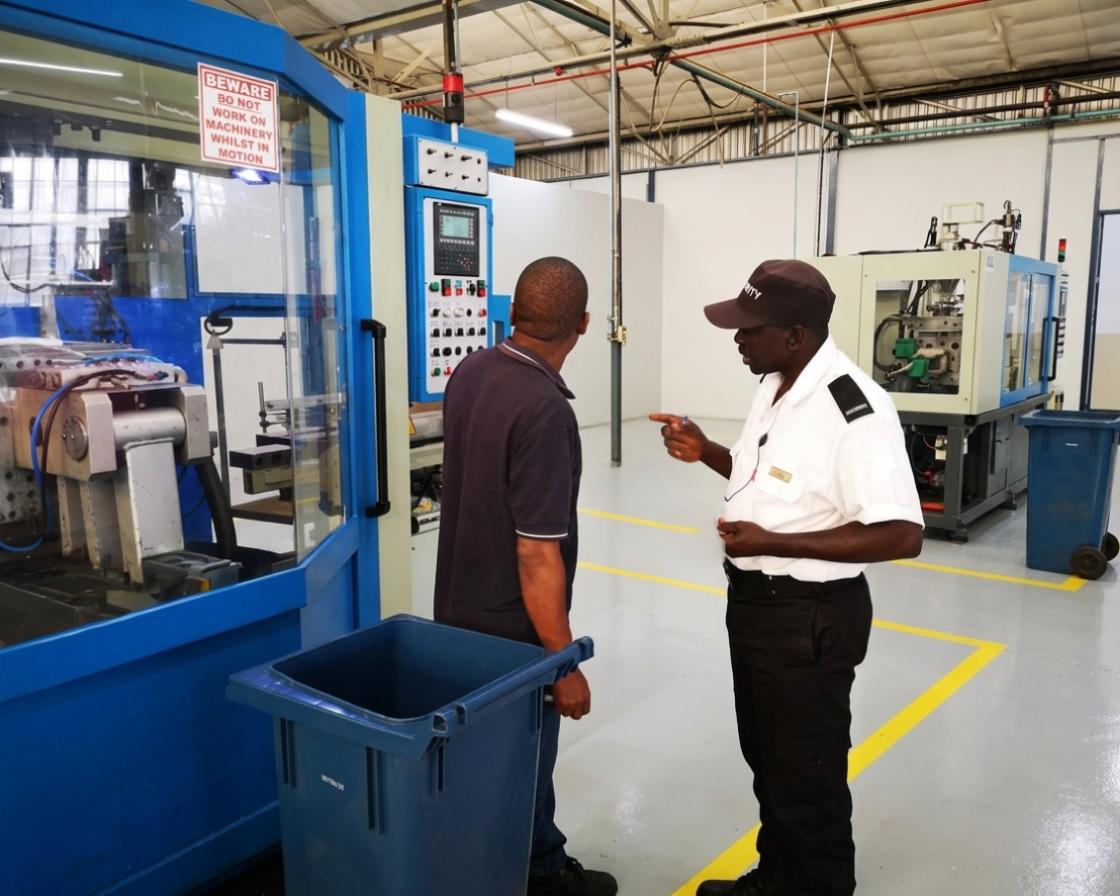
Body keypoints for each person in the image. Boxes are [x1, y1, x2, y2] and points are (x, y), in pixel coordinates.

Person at [650, 259, 923, 896]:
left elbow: (901, 534)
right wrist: (707, 452)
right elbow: (765, 481)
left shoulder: (853, 407)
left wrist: (776, 542)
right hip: (756, 606)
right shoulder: (774, 384)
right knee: (770, 760)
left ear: (795, 334)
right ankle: (780, 878)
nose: (738, 339)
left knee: (807, 773)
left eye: (750, 329)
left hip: (808, 617)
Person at [434, 256, 618, 896]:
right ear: (585, 324)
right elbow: (537, 553)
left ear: (513, 314)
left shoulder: (472, 371)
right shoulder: (545, 409)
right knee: (524, 757)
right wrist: (561, 663)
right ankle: (539, 874)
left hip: (457, 608)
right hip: (513, 625)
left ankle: (498, 858)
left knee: (483, 755)